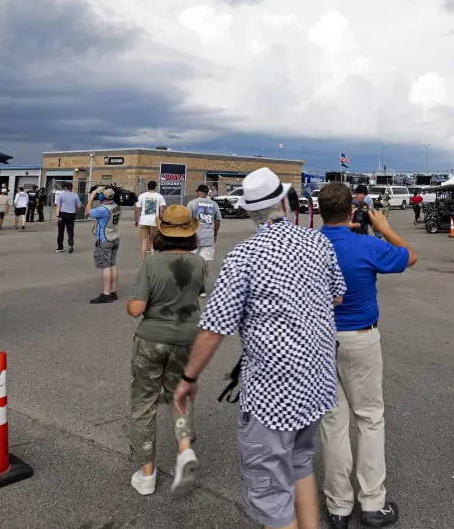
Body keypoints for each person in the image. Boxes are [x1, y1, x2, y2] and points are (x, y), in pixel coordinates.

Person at [173, 167, 346, 529]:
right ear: (284, 202)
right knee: (300, 466)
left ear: (251, 211)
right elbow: (337, 295)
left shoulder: (244, 256)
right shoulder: (318, 242)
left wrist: (189, 376)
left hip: (272, 393)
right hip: (317, 383)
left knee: (271, 497)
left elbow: (214, 328)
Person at [317, 182, 415, 527]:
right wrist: (386, 229)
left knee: (333, 424)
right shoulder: (367, 245)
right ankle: (372, 502)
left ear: (318, 211)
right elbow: (409, 257)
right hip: (360, 338)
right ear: (351, 212)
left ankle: (338, 505)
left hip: (319, 340)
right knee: (370, 418)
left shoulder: (310, 247)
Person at [127, 204, 207, 497]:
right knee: (180, 397)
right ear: (190, 233)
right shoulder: (199, 263)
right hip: (187, 339)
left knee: (144, 401)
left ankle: (146, 473)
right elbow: (196, 293)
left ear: (162, 230)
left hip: (151, 338)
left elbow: (136, 308)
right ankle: (184, 449)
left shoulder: (151, 262)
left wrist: (131, 303)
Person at [87, 187, 122, 304]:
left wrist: (91, 197)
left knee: (105, 266)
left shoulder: (102, 209)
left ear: (102, 197)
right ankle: (113, 292)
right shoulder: (116, 206)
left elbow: (87, 213)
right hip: (115, 237)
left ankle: (106, 294)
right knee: (113, 264)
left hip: (104, 239)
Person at [186, 184, 222, 298]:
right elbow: (217, 221)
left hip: (194, 237)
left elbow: (187, 220)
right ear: (207, 193)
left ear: (198, 192)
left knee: (192, 262)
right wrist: (215, 234)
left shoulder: (192, 203)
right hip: (208, 237)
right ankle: (202, 289)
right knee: (204, 262)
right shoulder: (214, 204)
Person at [134, 180, 166, 261]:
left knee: (144, 242)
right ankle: (153, 260)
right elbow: (161, 210)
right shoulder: (159, 196)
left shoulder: (142, 196)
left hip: (143, 221)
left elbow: (137, 210)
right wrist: (162, 221)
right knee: (152, 243)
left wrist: (136, 220)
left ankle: (144, 262)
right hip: (154, 222)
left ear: (147, 186)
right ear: (155, 187)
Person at [55, 182, 82, 253]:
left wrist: (57, 216)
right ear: (71, 188)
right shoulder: (75, 195)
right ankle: (71, 245)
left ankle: (60, 247)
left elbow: (58, 206)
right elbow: (79, 206)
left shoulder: (60, 195)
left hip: (62, 214)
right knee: (70, 231)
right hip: (71, 214)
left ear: (65, 188)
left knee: (60, 231)